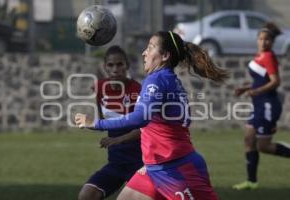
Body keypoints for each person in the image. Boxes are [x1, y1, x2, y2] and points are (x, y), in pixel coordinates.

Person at [75, 31, 229, 200]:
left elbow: (140, 118)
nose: (144, 53)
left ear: (164, 56)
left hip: (176, 169)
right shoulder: (167, 79)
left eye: (150, 48)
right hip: (155, 168)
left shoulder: (157, 80)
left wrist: (95, 123)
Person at [78, 45, 143, 200]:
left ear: (127, 65)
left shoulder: (138, 90)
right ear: (105, 67)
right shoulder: (100, 88)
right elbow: (102, 123)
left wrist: (118, 139)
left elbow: (144, 129)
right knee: (86, 195)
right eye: (111, 65)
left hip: (140, 164)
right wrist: (86, 122)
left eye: (120, 64)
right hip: (116, 163)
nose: (115, 69)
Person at [233, 22, 290, 190]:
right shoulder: (260, 56)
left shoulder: (269, 57)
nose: (264, 42)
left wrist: (256, 91)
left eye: (267, 40)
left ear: (272, 43)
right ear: (257, 40)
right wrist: (245, 88)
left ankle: (252, 180)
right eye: (261, 39)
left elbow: (275, 81)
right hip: (258, 105)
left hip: (268, 106)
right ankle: (251, 181)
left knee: (263, 146)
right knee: (249, 140)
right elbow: (260, 80)